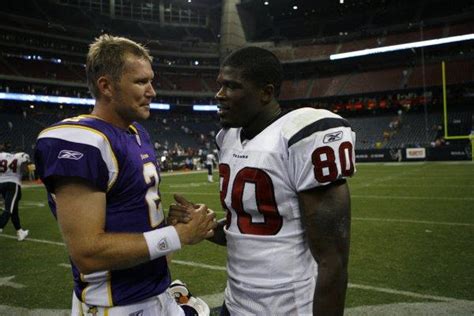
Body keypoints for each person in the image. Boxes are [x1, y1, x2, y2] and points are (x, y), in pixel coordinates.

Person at [34, 34, 216, 315]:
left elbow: (129, 213)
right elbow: (87, 252)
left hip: (156, 292)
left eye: (151, 81)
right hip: (116, 305)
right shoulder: (79, 140)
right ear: (106, 86)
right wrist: (176, 235)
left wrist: (170, 221)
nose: (152, 91)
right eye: (141, 82)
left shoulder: (137, 133)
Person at [170, 46, 356, 315]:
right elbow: (247, 229)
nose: (219, 95)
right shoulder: (228, 139)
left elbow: (333, 261)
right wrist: (202, 225)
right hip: (234, 305)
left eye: (232, 86)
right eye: (220, 85)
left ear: (266, 93)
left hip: (287, 309)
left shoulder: (299, 136)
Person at [0, 144, 30, 241]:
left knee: (14, 208)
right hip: (12, 184)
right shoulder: (22, 156)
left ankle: (20, 231)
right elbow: (25, 170)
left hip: (1, 183)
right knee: (8, 209)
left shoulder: (3, 155)